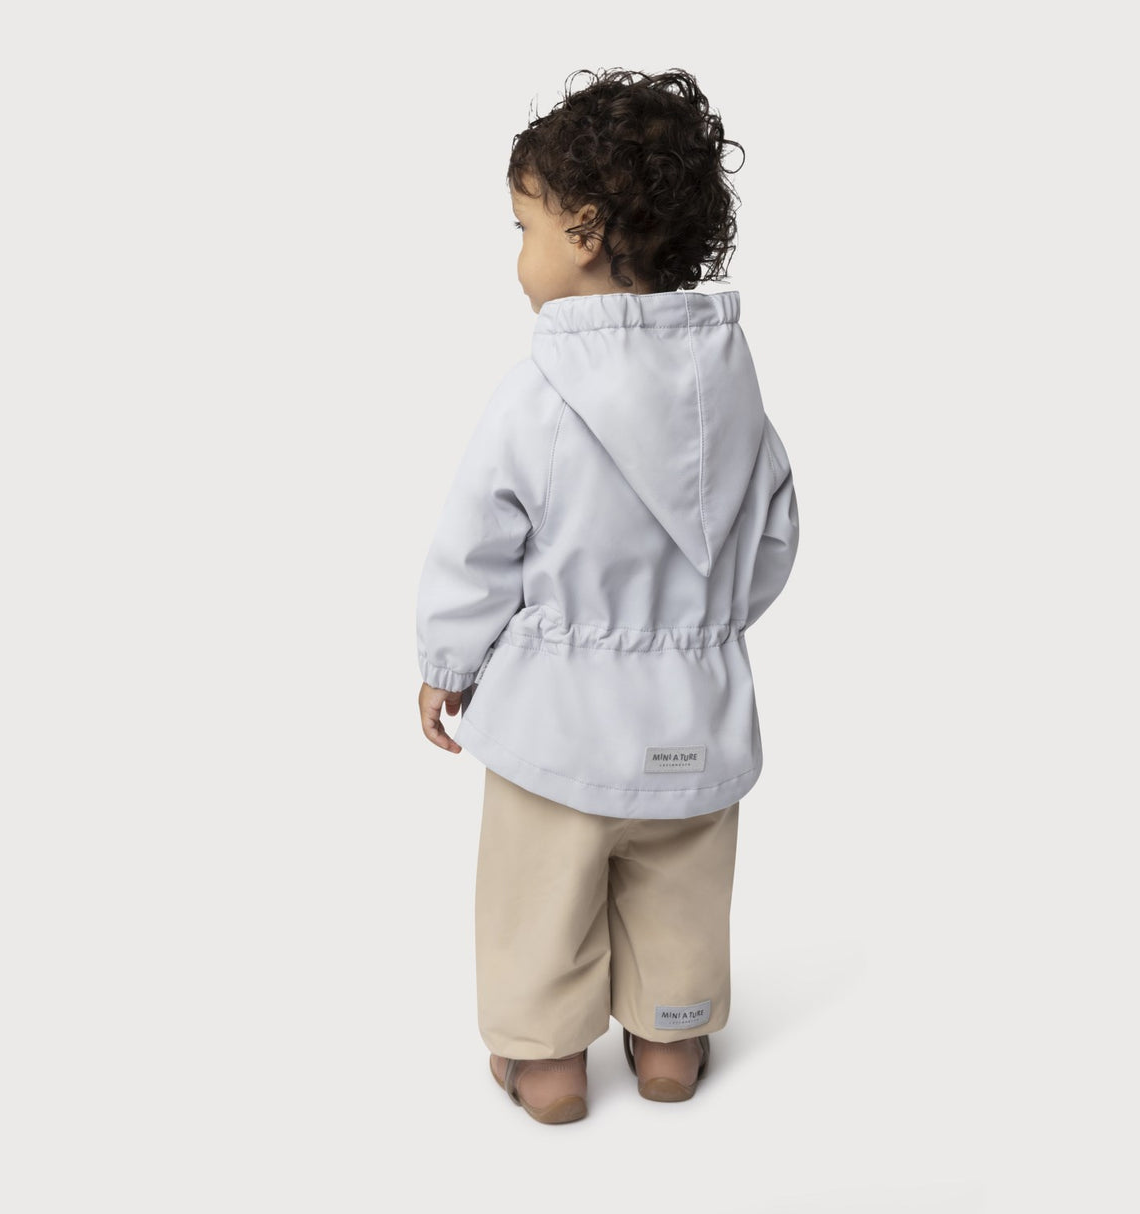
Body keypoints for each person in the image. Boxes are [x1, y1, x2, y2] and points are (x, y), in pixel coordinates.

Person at [414, 67, 799, 1124]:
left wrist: (449, 664)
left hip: (563, 716)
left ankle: (544, 1062)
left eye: (524, 226)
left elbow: (477, 543)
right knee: (681, 881)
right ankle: (672, 1036)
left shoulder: (539, 394)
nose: (519, 255)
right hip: (698, 707)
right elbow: (774, 532)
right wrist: (704, 627)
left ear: (582, 231)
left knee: (540, 886)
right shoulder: (736, 391)